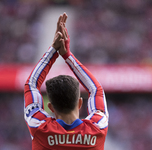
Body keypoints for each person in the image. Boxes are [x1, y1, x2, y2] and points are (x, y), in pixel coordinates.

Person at [24, 12, 109, 150]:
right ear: (80, 103)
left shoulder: (39, 126)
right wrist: (67, 54)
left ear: (50, 107)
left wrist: (53, 50)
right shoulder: (98, 127)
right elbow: (95, 89)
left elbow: (31, 85)